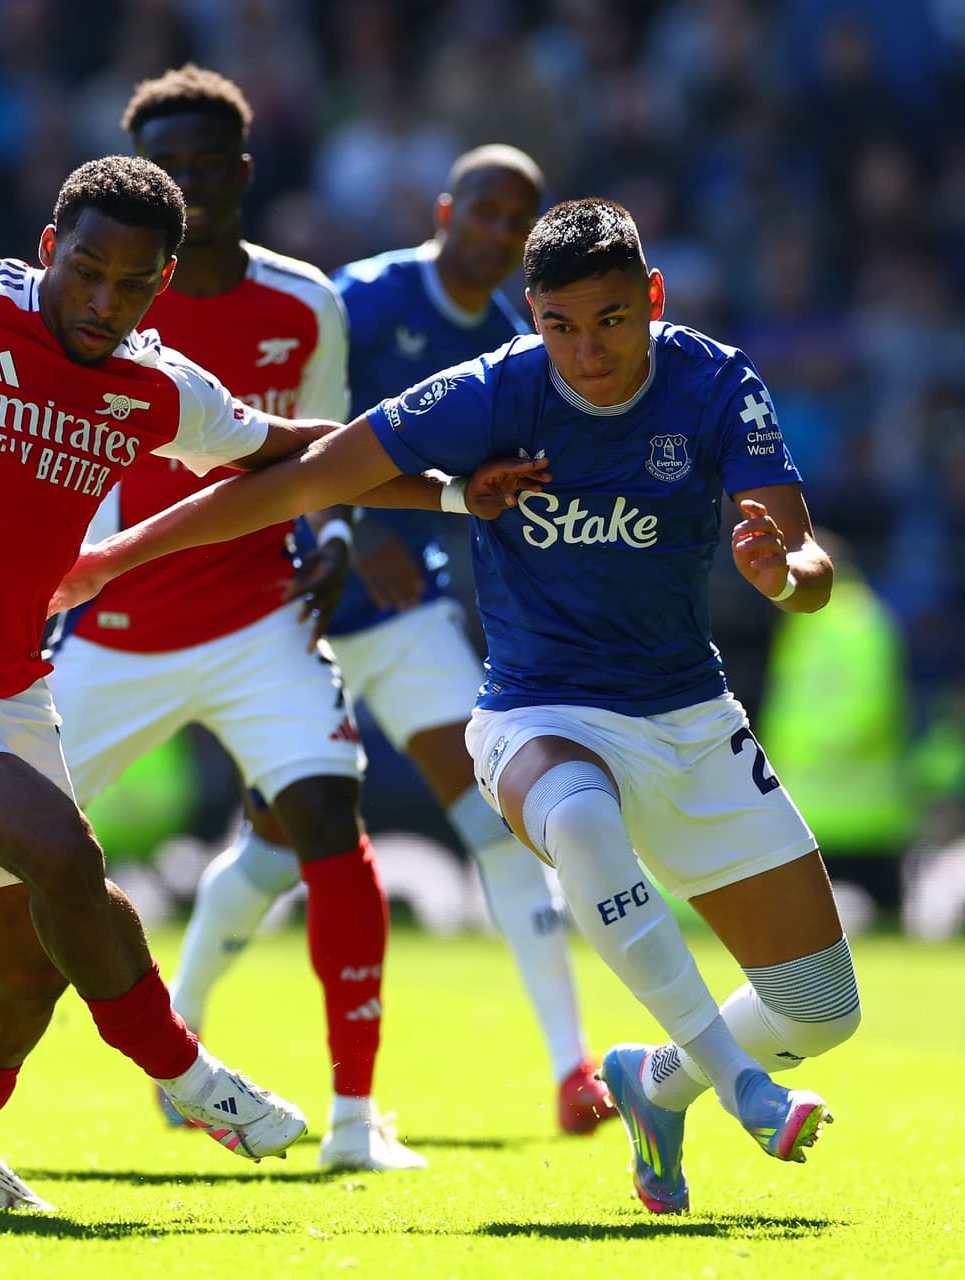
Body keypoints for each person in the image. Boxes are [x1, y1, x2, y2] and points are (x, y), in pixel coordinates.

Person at [54, 198, 861, 1215]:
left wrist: (780, 574)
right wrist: (117, 556)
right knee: (575, 817)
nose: (588, 351)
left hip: (690, 715)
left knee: (822, 1007)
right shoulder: (493, 392)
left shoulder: (716, 383)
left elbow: (809, 563)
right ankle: (743, 1085)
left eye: (612, 320)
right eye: (561, 325)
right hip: (537, 712)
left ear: (651, 299)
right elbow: (300, 480)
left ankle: (657, 1084)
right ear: (532, 316)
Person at [0, 65, 424, 1175]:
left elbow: (287, 455)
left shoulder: (160, 385)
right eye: (87, 271)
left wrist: (443, 482)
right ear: (51, 245)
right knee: (63, 851)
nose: (103, 302)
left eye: (131, 287)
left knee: (31, 957)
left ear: (160, 289)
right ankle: (188, 1074)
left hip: (18, 688)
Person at [172, 143, 616, 1137]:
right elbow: (288, 434)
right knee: (275, 846)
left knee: (500, 816)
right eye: (487, 211)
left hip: (410, 612)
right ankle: (181, 1035)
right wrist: (357, 529)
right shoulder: (359, 300)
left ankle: (568, 1067)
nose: (498, 234)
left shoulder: (514, 341)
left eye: (518, 222)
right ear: (446, 207)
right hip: (301, 597)